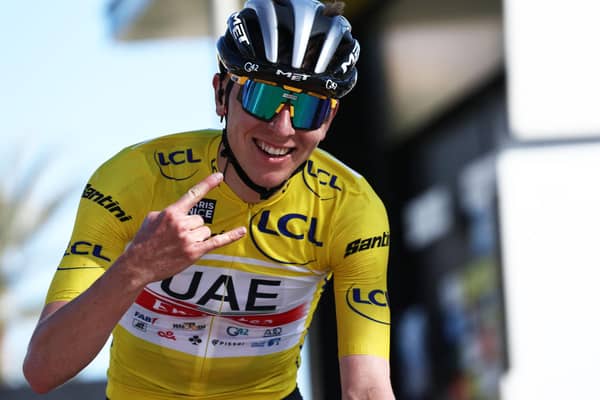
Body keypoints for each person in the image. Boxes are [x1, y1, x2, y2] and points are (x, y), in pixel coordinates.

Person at [23, 0, 394, 399]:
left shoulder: (350, 208)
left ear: (328, 122)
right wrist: (136, 267)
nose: (282, 128)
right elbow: (43, 369)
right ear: (221, 95)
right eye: (263, 99)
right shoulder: (134, 179)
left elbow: (368, 389)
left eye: (308, 107)